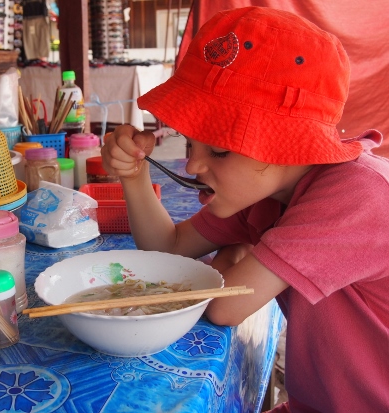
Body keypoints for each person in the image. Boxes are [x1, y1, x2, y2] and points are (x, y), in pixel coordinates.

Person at [100, 6, 389, 413]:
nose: (195, 166)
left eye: (219, 149)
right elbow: (168, 247)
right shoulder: (263, 193)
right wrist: (134, 177)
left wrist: (237, 259)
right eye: (191, 144)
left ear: (290, 146)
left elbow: (225, 307)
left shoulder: (355, 194)